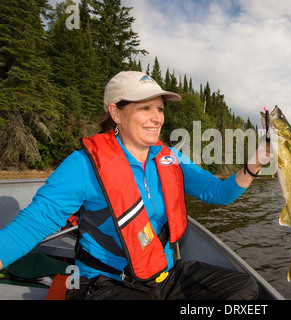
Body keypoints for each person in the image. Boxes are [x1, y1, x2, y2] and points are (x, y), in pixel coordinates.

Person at [0, 71, 273, 300]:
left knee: (245, 291)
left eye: (159, 108)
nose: (157, 117)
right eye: (145, 108)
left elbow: (218, 194)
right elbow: (32, 226)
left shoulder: (171, 159)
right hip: (104, 284)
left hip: (163, 275)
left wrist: (255, 163)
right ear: (116, 112)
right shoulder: (83, 165)